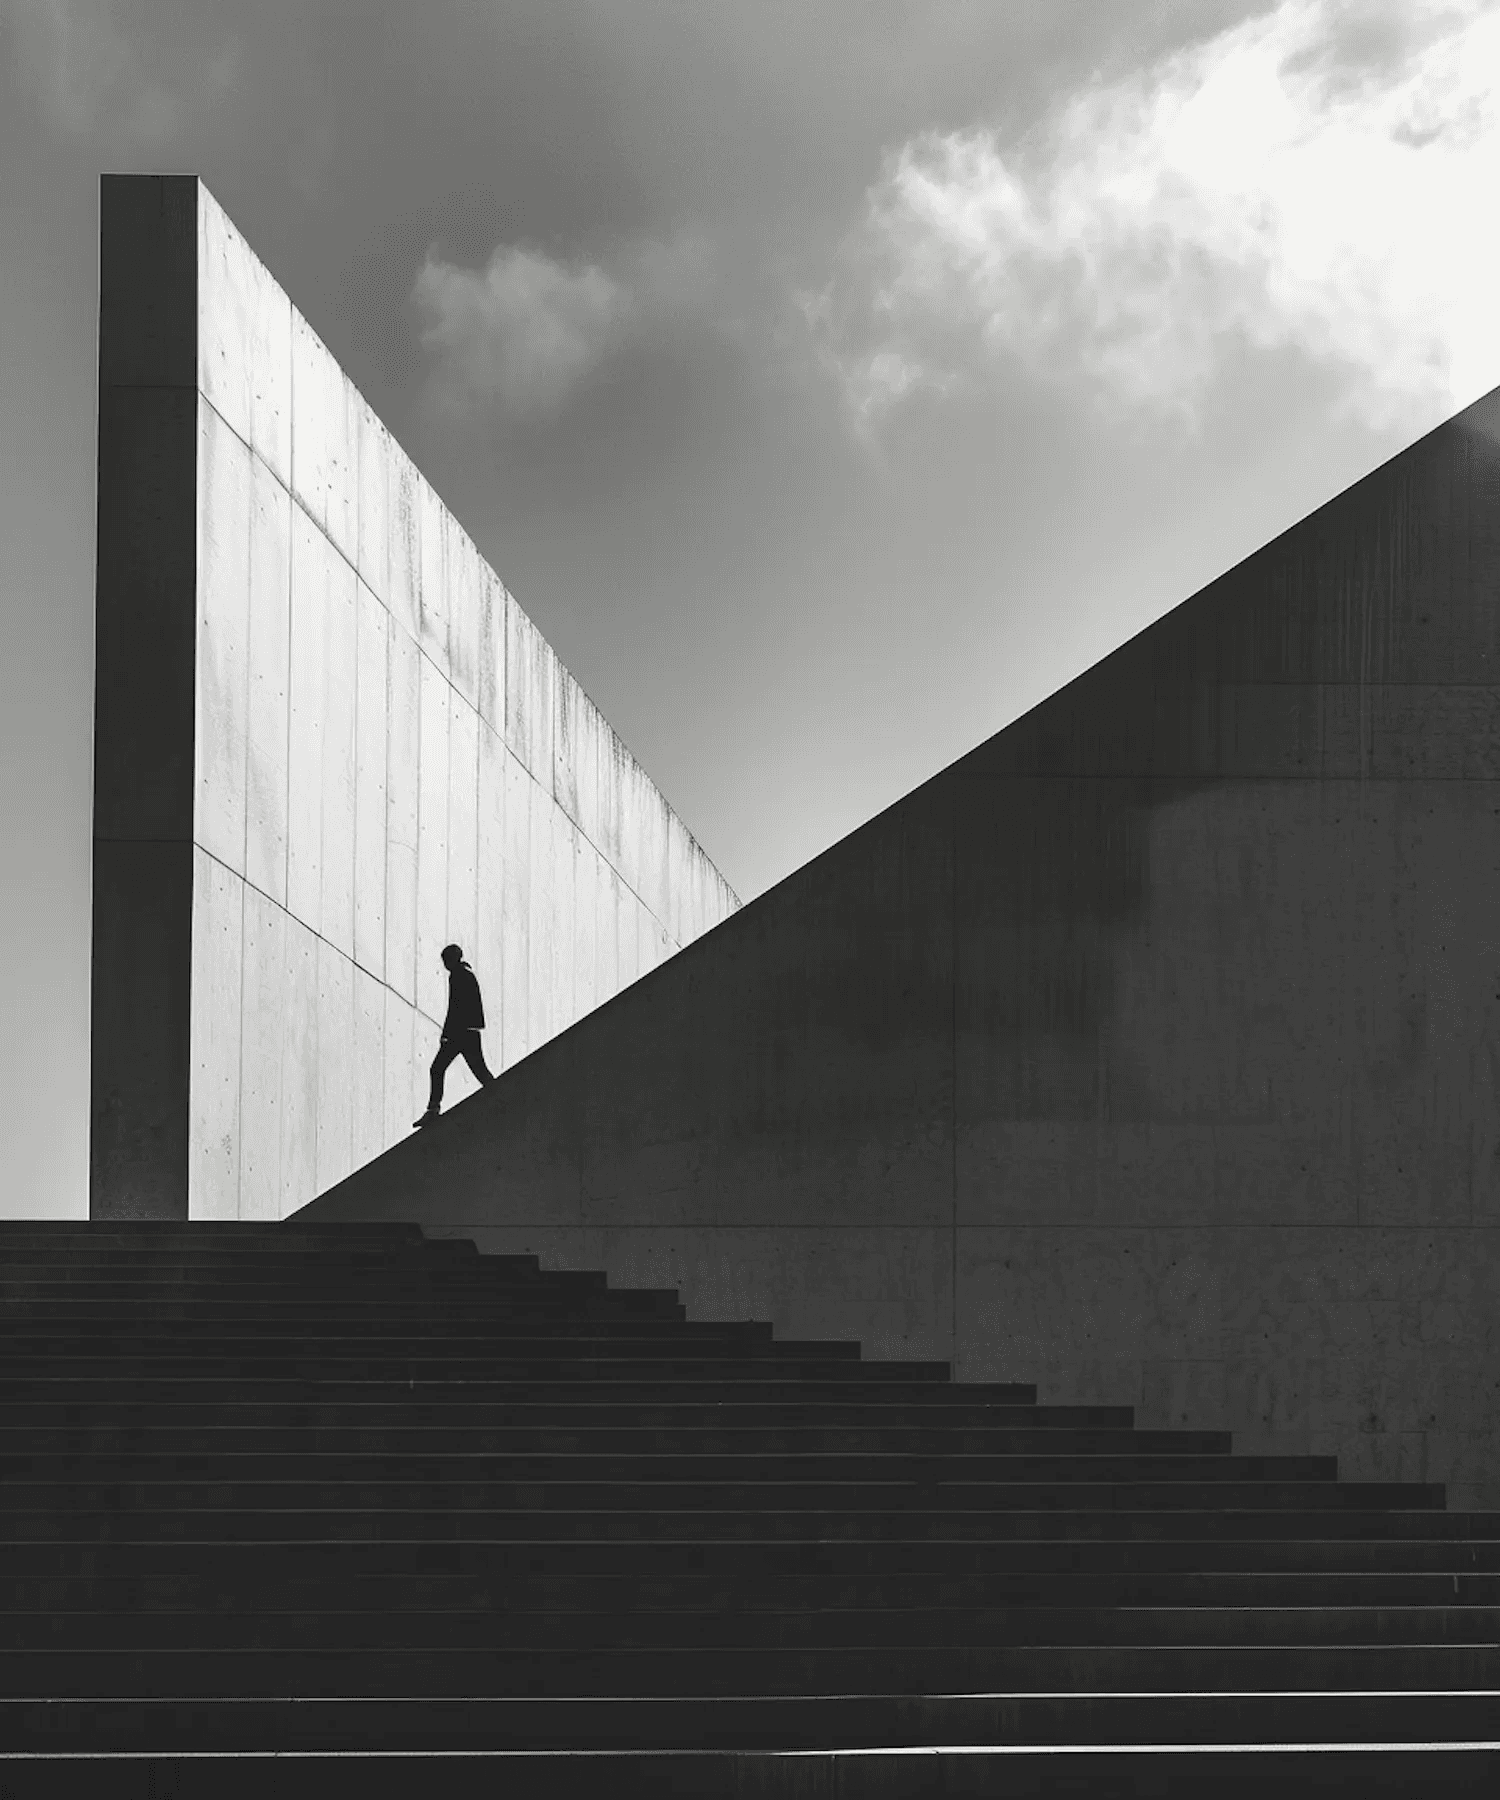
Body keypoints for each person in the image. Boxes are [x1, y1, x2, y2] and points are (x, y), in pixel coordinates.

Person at [413, 945, 495, 1128]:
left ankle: (433, 1109)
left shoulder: (458, 976)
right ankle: (499, 1094)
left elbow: (455, 1008)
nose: (444, 965)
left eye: (445, 960)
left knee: (437, 1069)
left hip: (461, 1034)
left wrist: (446, 1035)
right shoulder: (465, 973)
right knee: (480, 1071)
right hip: (469, 1033)